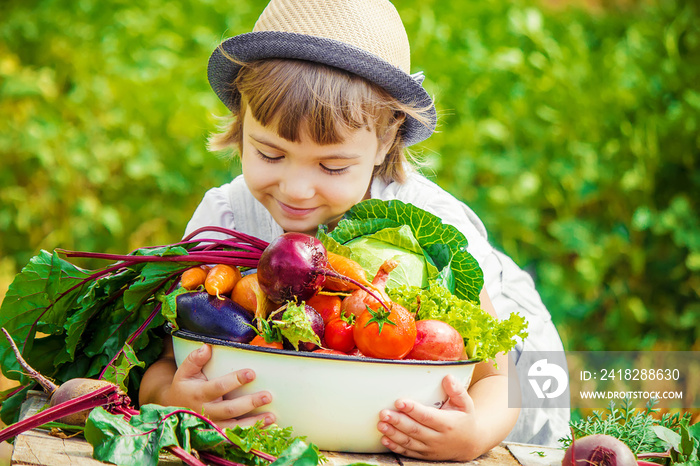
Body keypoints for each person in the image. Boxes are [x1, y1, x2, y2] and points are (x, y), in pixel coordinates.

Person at [139, 0, 570, 460]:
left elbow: (501, 380)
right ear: (243, 124)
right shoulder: (224, 221)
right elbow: (164, 363)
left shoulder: (427, 225)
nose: (297, 189)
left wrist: (475, 434)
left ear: (385, 140)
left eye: (332, 165)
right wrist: (168, 397)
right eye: (269, 154)